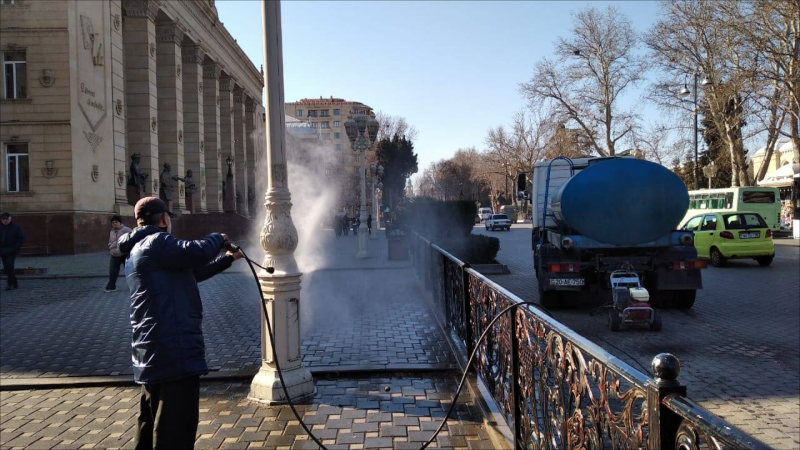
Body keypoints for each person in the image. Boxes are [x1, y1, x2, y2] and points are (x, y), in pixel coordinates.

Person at [118, 197, 243, 450]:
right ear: (164, 219)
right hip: (174, 348)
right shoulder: (158, 241)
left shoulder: (137, 249)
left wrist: (228, 259)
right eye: (170, 217)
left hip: (152, 350)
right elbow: (196, 252)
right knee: (176, 428)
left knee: (151, 419)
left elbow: (191, 273)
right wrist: (217, 238)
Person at [105, 215, 132, 293]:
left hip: (124, 254)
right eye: (113, 222)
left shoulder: (126, 230)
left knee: (129, 271)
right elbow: (110, 241)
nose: (114, 224)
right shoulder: (112, 231)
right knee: (112, 271)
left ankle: (135, 286)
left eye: (116, 222)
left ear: (120, 222)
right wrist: (110, 245)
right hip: (114, 254)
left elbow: (133, 238)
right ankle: (111, 287)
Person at [0, 212, 25, 291]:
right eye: (3, 219)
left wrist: (16, 248)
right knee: (7, 268)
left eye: (6, 219)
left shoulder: (16, 227)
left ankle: (9, 284)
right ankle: (14, 282)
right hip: (2, 251)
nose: (5, 221)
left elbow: (21, 238)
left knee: (9, 265)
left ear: (10, 219)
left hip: (12, 250)